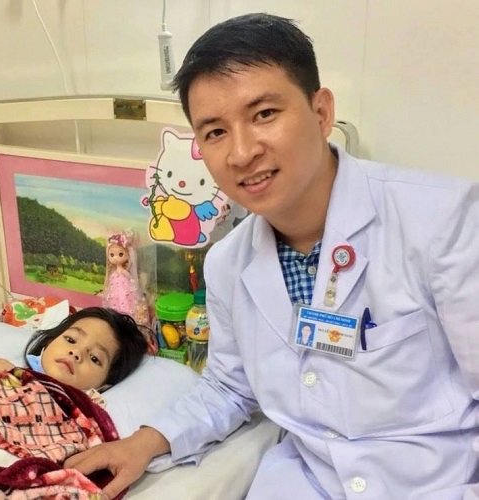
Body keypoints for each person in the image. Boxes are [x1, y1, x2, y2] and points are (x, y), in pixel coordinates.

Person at [65, 13, 479, 499]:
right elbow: (230, 387)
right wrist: (143, 444)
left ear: (321, 112)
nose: (241, 153)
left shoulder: (443, 220)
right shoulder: (228, 263)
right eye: (215, 132)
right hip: (307, 483)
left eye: (263, 114)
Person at [0, 306, 147, 392]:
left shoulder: (82, 418)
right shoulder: (0, 371)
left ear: (104, 385)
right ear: (48, 342)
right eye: (70, 340)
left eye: (94, 358)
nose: (76, 353)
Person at [103, 230, 144, 322]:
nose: (115, 258)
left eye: (120, 254)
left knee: (125, 301)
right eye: (112, 255)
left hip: (124, 292)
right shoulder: (113, 274)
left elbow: (130, 281)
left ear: (128, 255)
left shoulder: (124, 273)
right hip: (114, 294)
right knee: (114, 302)